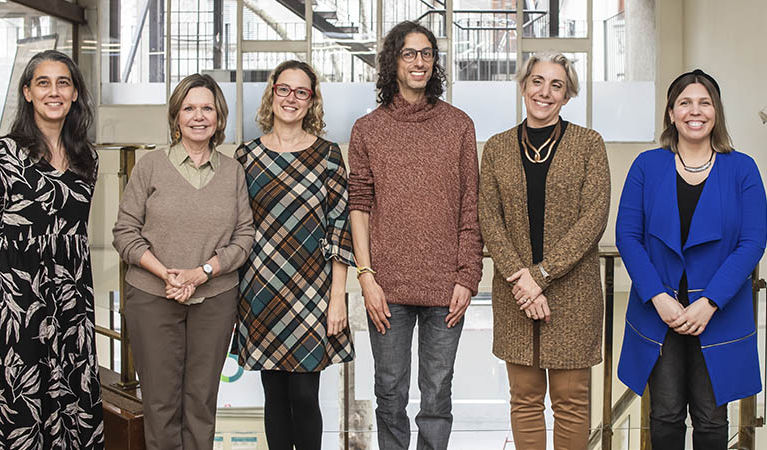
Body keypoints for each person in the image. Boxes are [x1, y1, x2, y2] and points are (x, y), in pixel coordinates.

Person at [348, 21, 484, 450]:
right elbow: (359, 207)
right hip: (386, 288)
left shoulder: (458, 125)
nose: (419, 62)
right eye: (409, 53)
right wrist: (366, 277)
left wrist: (467, 277)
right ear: (394, 61)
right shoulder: (367, 129)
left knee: (437, 393)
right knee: (389, 392)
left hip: (446, 286)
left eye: (426, 53)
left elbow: (470, 205)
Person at [616, 69, 766, 450]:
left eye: (704, 102)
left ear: (716, 112)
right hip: (659, 311)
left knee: (713, 419)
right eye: (684, 102)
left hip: (719, 311)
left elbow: (752, 242)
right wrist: (659, 298)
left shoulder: (742, 168)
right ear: (670, 113)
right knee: (664, 416)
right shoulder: (647, 166)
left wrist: (709, 301)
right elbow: (628, 237)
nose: (694, 111)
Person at [0, 50, 104, 449]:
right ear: (27, 93)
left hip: (70, 297)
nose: (54, 92)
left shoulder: (86, 158)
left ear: (75, 93)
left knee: (68, 392)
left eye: (63, 83)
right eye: (43, 83)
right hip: (15, 301)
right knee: (17, 397)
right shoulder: (1, 154)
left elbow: (72, 233)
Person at [112, 73, 254, 450]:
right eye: (189, 108)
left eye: (207, 108)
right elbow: (124, 232)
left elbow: (244, 238)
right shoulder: (149, 166)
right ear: (176, 116)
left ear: (219, 117)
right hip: (152, 298)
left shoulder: (233, 172)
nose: (198, 116)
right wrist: (167, 275)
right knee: (160, 405)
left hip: (215, 299)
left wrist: (201, 272)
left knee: (201, 404)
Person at [478, 52, 610, 449]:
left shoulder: (589, 144)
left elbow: (594, 217)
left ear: (567, 95)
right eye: (537, 81)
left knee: (571, 403)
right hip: (515, 294)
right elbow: (489, 218)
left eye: (557, 85)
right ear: (523, 87)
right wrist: (523, 278)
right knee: (524, 401)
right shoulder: (498, 148)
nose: (545, 92)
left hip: (572, 295)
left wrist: (540, 276)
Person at [233, 60, 356, 450]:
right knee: (275, 395)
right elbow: (236, 227)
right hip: (261, 289)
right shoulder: (246, 156)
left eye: (301, 92)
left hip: (312, 292)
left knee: (304, 395)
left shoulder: (328, 155)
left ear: (311, 100)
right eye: (284, 89)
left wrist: (338, 297)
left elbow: (340, 226)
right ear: (272, 93)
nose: (291, 98)